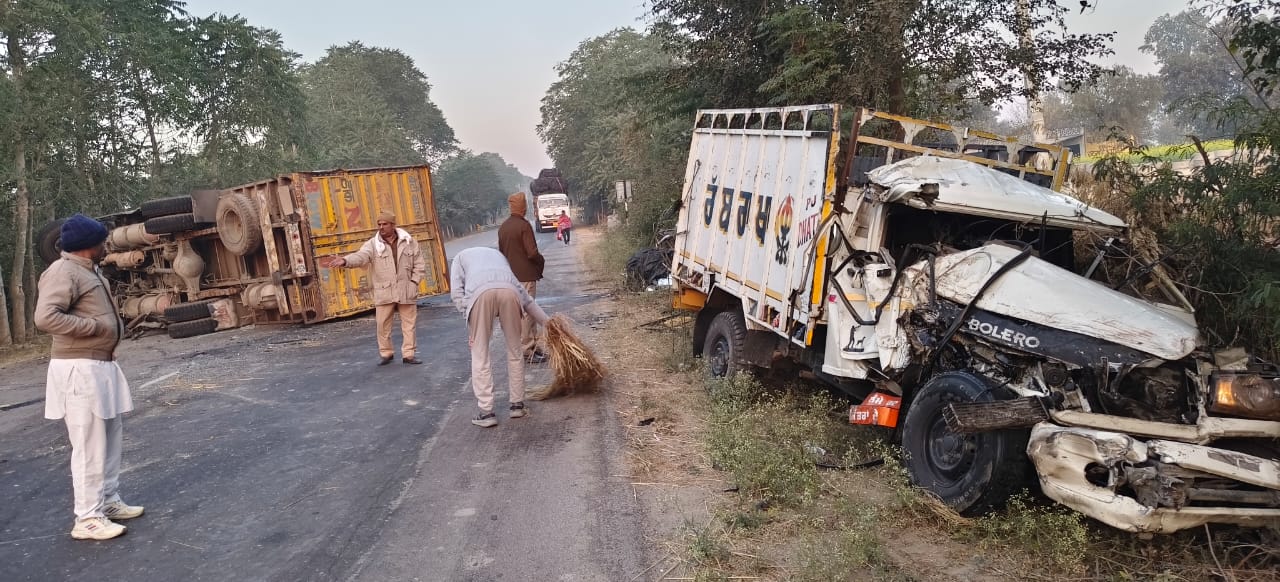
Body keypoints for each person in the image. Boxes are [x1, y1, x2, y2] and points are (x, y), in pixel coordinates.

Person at [35, 213, 144, 541]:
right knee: (89, 444)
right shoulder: (63, 271)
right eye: (101, 241)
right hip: (79, 368)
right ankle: (87, 518)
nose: (105, 245)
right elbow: (45, 317)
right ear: (87, 245)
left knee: (110, 436)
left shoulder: (88, 270)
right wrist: (93, 328)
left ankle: (107, 500)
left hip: (100, 364)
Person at [450, 246, 551, 428]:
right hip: (509, 291)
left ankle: (486, 413)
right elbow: (527, 300)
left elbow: (456, 292)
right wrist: (550, 324)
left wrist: (469, 319)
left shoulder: (459, 258)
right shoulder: (499, 256)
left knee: (480, 353)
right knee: (515, 350)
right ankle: (517, 405)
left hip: (479, 294)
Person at [320, 210, 427, 365]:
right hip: (384, 291)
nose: (381, 227)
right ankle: (386, 353)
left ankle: (409, 354)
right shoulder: (373, 244)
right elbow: (361, 256)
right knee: (382, 325)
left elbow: (419, 264)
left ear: (393, 225)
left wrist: (414, 282)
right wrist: (345, 260)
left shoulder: (409, 241)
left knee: (409, 325)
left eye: (385, 224)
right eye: (379, 224)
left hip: (406, 289)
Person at [496, 192, 547, 364]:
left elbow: (502, 254)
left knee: (521, 313)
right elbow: (532, 253)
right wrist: (541, 261)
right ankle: (527, 349)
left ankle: (533, 346)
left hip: (510, 277)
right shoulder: (524, 226)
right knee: (528, 312)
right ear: (522, 206)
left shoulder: (503, 227)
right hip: (526, 276)